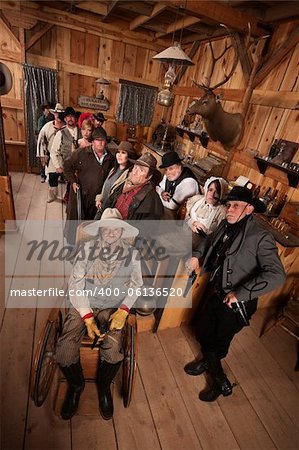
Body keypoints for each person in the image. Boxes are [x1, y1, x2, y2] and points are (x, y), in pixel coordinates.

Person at [184, 186, 286, 402]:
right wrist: (197, 256)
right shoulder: (225, 224)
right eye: (229, 205)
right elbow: (209, 241)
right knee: (204, 330)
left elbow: (277, 275)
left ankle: (221, 382)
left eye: (236, 206)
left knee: (220, 339)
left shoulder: (260, 237)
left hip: (238, 302)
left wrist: (241, 293)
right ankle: (208, 360)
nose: (230, 209)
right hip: (217, 291)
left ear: (249, 209)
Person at [56, 208, 143, 420]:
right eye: (107, 229)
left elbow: (136, 284)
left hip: (112, 307)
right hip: (84, 303)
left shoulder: (132, 255)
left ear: (122, 232)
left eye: (117, 229)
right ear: (100, 231)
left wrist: (123, 311)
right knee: (65, 351)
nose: (112, 233)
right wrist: (86, 317)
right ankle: (76, 387)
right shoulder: (86, 250)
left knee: (113, 351)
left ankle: (104, 388)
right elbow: (75, 284)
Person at [63, 127, 115, 244]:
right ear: (92, 141)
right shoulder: (81, 153)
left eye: (102, 140)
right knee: (74, 222)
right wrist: (73, 181)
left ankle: (85, 248)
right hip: (80, 194)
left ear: (106, 141)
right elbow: (67, 166)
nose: (100, 143)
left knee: (91, 225)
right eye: (97, 140)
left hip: (96, 197)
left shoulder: (110, 158)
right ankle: (70, 246)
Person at [103, 153, 163, 220]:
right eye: (135, 167)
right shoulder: (124, 185)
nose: (134, 172)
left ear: (149, 176)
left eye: (141, 170)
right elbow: (108, 203)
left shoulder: (152, 200)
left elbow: (147, 228)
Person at [184, 177, 228, 250]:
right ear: (206, 189)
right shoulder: (196, 199)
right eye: (210, 190)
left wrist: (204, 230)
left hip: (200, 244)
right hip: (184, 233)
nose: (212, 194)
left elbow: (218, 237)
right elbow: (184, 215)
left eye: (216, 192)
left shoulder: (222, 211)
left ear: (221, 194)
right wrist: (191, 222)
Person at [95, 141, 137, 211]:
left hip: (113, 211)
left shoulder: (130, 175)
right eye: (118, 152)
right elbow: (106, 187)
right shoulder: (113, 169)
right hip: (103, 207)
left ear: (129, 156)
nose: (119, 155)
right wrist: (99, 199)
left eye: (123, 153)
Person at [156, 151, 200, 219]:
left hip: (187, 220)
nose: (167, 173)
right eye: (166, 169)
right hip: (170, 215)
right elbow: (158, 187)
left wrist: (157, 196)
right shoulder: (169, 175)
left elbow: (172, 206)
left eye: (171, 168)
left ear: (180, 166)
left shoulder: (189, 182)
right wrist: (161, 193)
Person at [36, 103, 66, 202]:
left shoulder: (67, 128)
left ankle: (68, 198)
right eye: (56, 113)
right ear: (54, 114)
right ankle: (52, 196)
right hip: (52, 157)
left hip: (64, 157)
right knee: (52, 177)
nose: (58, 116)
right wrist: (42, 156)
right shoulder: (47, 127)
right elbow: (41, 141)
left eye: (60, 114)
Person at [36, 103, 54, 182]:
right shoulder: (41, 119)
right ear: (44, 111)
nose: (48, 110)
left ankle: (51, 174)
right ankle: (43, 175)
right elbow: (40, 130)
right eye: (46, 109)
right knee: (43, 158)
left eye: (49, 108)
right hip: (44, 141)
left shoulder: (52, 119)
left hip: (51, 141)